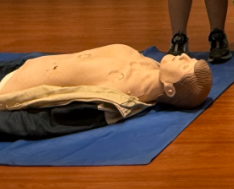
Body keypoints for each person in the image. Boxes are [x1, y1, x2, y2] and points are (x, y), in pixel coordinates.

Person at [0, 46, 212, 139]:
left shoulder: (116, 102)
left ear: (170, 88)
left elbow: (45, 123)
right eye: (190, 59)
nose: (184, 56)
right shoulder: (147, 61)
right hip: (18, 66)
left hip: (8, 87)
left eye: (185, 66)